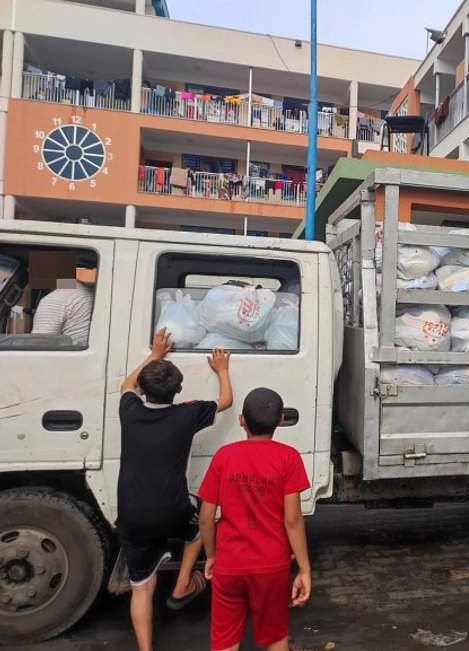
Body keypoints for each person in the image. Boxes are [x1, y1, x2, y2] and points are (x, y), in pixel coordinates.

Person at [117, 328, 233, 651]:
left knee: (141, 589)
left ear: (142, 390)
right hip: (173, 511)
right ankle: (182, 585)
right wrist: (222, 371)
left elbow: (127, 386)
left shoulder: (130, 412)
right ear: (180, 390)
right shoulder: (187, 414)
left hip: (132, 515)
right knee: (198, 529)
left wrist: (154, 355)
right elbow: (226, 400)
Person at [199, 387, 312, 651]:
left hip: (229, 565)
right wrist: (304, 569)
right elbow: (293, 520)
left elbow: (206, 518)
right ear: (281, 420)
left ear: (241, 420)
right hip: (272, 566)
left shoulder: (224, 456)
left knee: (225, 641)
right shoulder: (289, 458)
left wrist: (212, 555)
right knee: (275, 638)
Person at [31, 272, 95, 345]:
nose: (28, 270)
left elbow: (39, 345)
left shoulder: (55, 300)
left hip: (71, 355)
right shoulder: (90, 289)